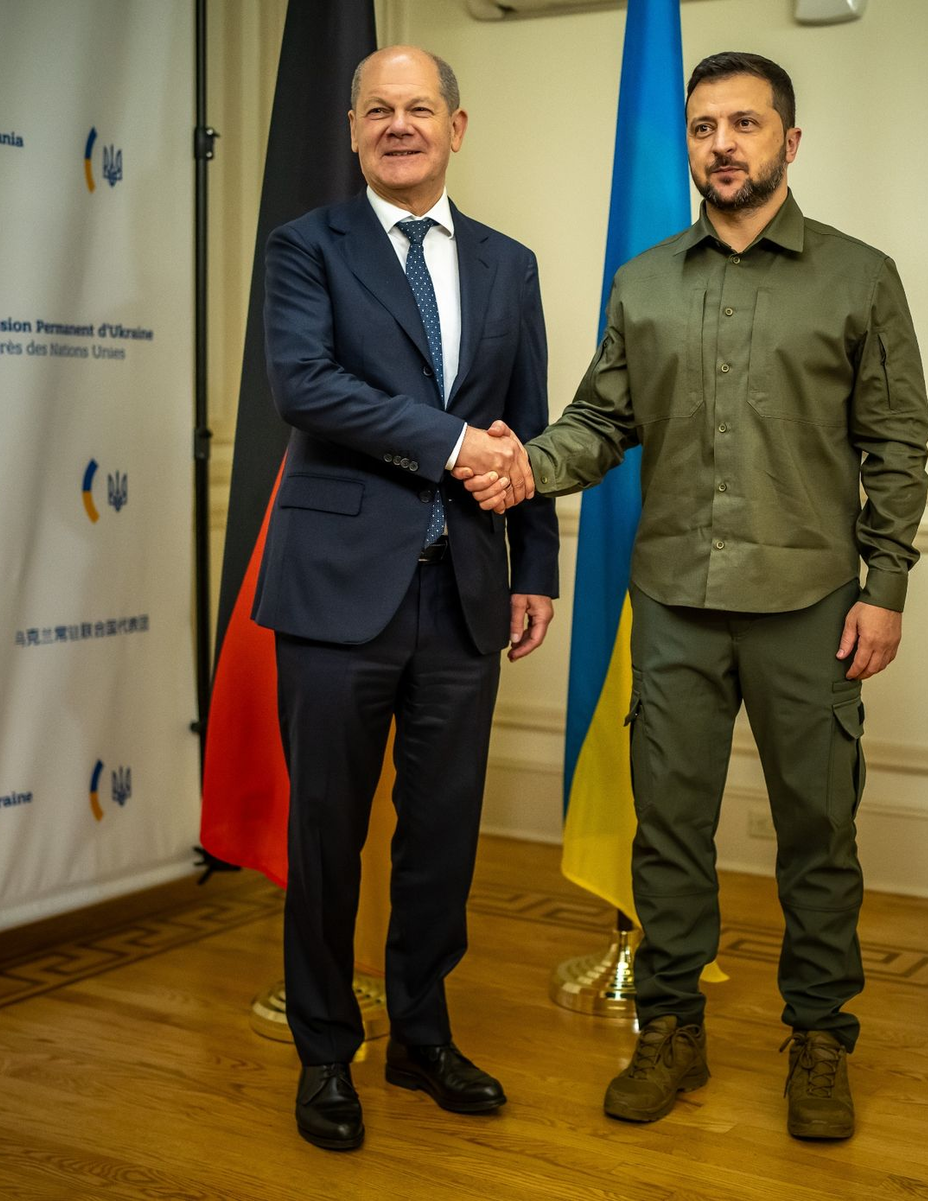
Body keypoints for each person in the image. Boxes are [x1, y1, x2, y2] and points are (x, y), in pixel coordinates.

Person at [458, 51, 928, 1141]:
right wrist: (525, 464)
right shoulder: (644, 280)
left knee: (819, 831)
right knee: (669, 831)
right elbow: (599, 421)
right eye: (706, 126)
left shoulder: (860, 277)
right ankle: (669, 1028)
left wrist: (886, 585)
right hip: (670, 598)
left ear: (790, 144)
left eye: (746, 125)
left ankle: (820, 1041)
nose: (723, 143)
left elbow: (896, 442)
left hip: (813, 602)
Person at [253, 45, 558, 1151]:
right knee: (330, 832)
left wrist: (535, 565)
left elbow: (522, 426)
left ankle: (424, 1034)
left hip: (467, 593)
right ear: (351, 129)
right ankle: (328, 1051)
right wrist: (449, 442)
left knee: (442, 834)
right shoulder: (304, 248)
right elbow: (308, 386)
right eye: (377, 109)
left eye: (418, 107)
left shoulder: (509, 263)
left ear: (457, 127)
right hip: (338, 595)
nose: (398, 125)